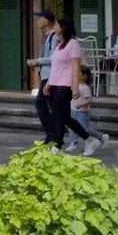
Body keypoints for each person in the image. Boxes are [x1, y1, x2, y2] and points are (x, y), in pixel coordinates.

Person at [45, 17, 106, 156]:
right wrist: (49, 82)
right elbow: (55, 66)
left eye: (56, 25)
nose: (54, 27)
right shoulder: (59, 44)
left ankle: (57, 146)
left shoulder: (73, 44)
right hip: (55, 83)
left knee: (58, 115)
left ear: (63, 28)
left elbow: (76, 67)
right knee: (65, 117)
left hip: (65, 84)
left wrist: (75, 87)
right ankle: (90, 140)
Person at [27, 10, 59, 140]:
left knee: (40, 103)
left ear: (46, 21)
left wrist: (37, 61)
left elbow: (55, 57)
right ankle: (55, 136)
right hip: (46, 75)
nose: (37, 21)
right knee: (53, 106)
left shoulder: (54, 37)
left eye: (40, 18)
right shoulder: (47, 37)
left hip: (51, 76)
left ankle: (52, 134)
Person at [64, 66, 109, 151]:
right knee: (72, 127)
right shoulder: (74, 85)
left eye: (77, 73)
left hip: (82, 112)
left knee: (85, 128)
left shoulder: (85, 87)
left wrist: (81, 105)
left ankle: (101, 136)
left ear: (84, 76)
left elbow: (89, 100)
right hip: (73, 110)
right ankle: (73, 143)